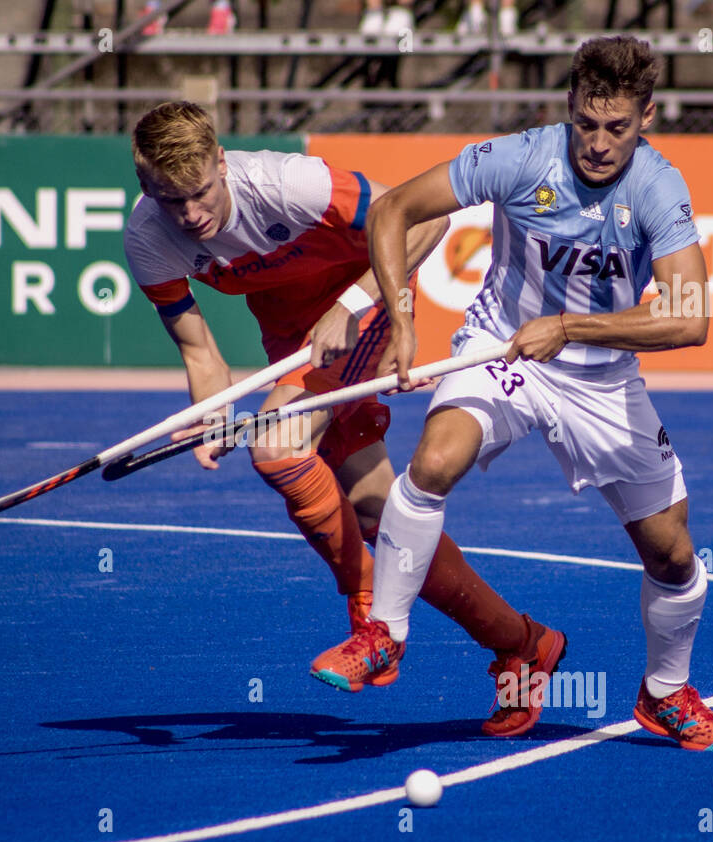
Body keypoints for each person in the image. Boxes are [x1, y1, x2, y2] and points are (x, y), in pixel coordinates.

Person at [124, 101, 564, 732]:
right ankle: (523, 644)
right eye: (171, 202)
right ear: (146, 188)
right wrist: (212, 411)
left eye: (199, 194)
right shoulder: (147, 239)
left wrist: (354, 305)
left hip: (363, 304)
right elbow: (203, 357)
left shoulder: (287, 183)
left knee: (276, 447)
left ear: (222, 163)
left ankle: (370, 612)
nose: (191, 216)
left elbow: (424, 222)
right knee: (379, 513)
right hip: (291, 340)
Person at [361, 35, 713, 750]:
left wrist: (568, 325)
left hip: (600, 379)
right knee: (434, 463)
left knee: (671, 555)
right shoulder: (519, 157)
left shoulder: (658, 187)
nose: (599, 144)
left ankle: (665, 693)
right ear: (569, 106)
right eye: (587, 124)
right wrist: (402, 320)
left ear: (648, 117)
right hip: (502, 347)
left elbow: (691, 317)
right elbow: (392, 212)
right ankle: (384, 630)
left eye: (618, 128)